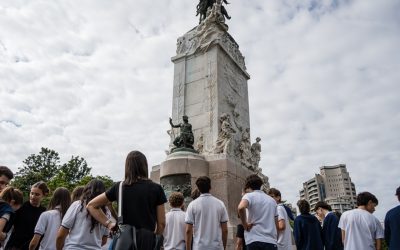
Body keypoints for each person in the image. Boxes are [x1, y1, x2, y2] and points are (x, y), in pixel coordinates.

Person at [87, 150, 167, 250]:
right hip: (147, 240)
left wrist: (108, 223)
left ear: (128, 167)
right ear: (144, 166)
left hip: (124, 241)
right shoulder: (156, 188)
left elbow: (91, 205)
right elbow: (161, 223)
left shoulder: (119, 187)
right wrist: (154, 239)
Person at [56, 180, 108, 250]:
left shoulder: (77, 205)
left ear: (86, 190)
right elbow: (104, 240)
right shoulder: (106, 211)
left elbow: (61, 235)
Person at [185, 176, 228, 250]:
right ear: (210, 187)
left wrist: (188, 248)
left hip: (199, 247)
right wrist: (223, 247)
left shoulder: (192, 205)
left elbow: (188, 230)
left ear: (198, 189)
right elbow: (225, 230)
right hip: (216, 247)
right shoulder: (220, 204)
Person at [238, 174, 277, 250]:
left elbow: (241, 207)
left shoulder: (249, 196)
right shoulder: (272, 201)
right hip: (271, 241)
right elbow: (276, 223)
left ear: (248, 185)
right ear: (260, 185)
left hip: (254, 239)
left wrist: (245, 225)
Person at [6, 181, 49, 250]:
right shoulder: (20, 207)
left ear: (43, 195)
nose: (33, 196)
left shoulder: (44, 212)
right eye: (31, 193)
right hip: (14, 246)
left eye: (37, 194)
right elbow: (8, 226)